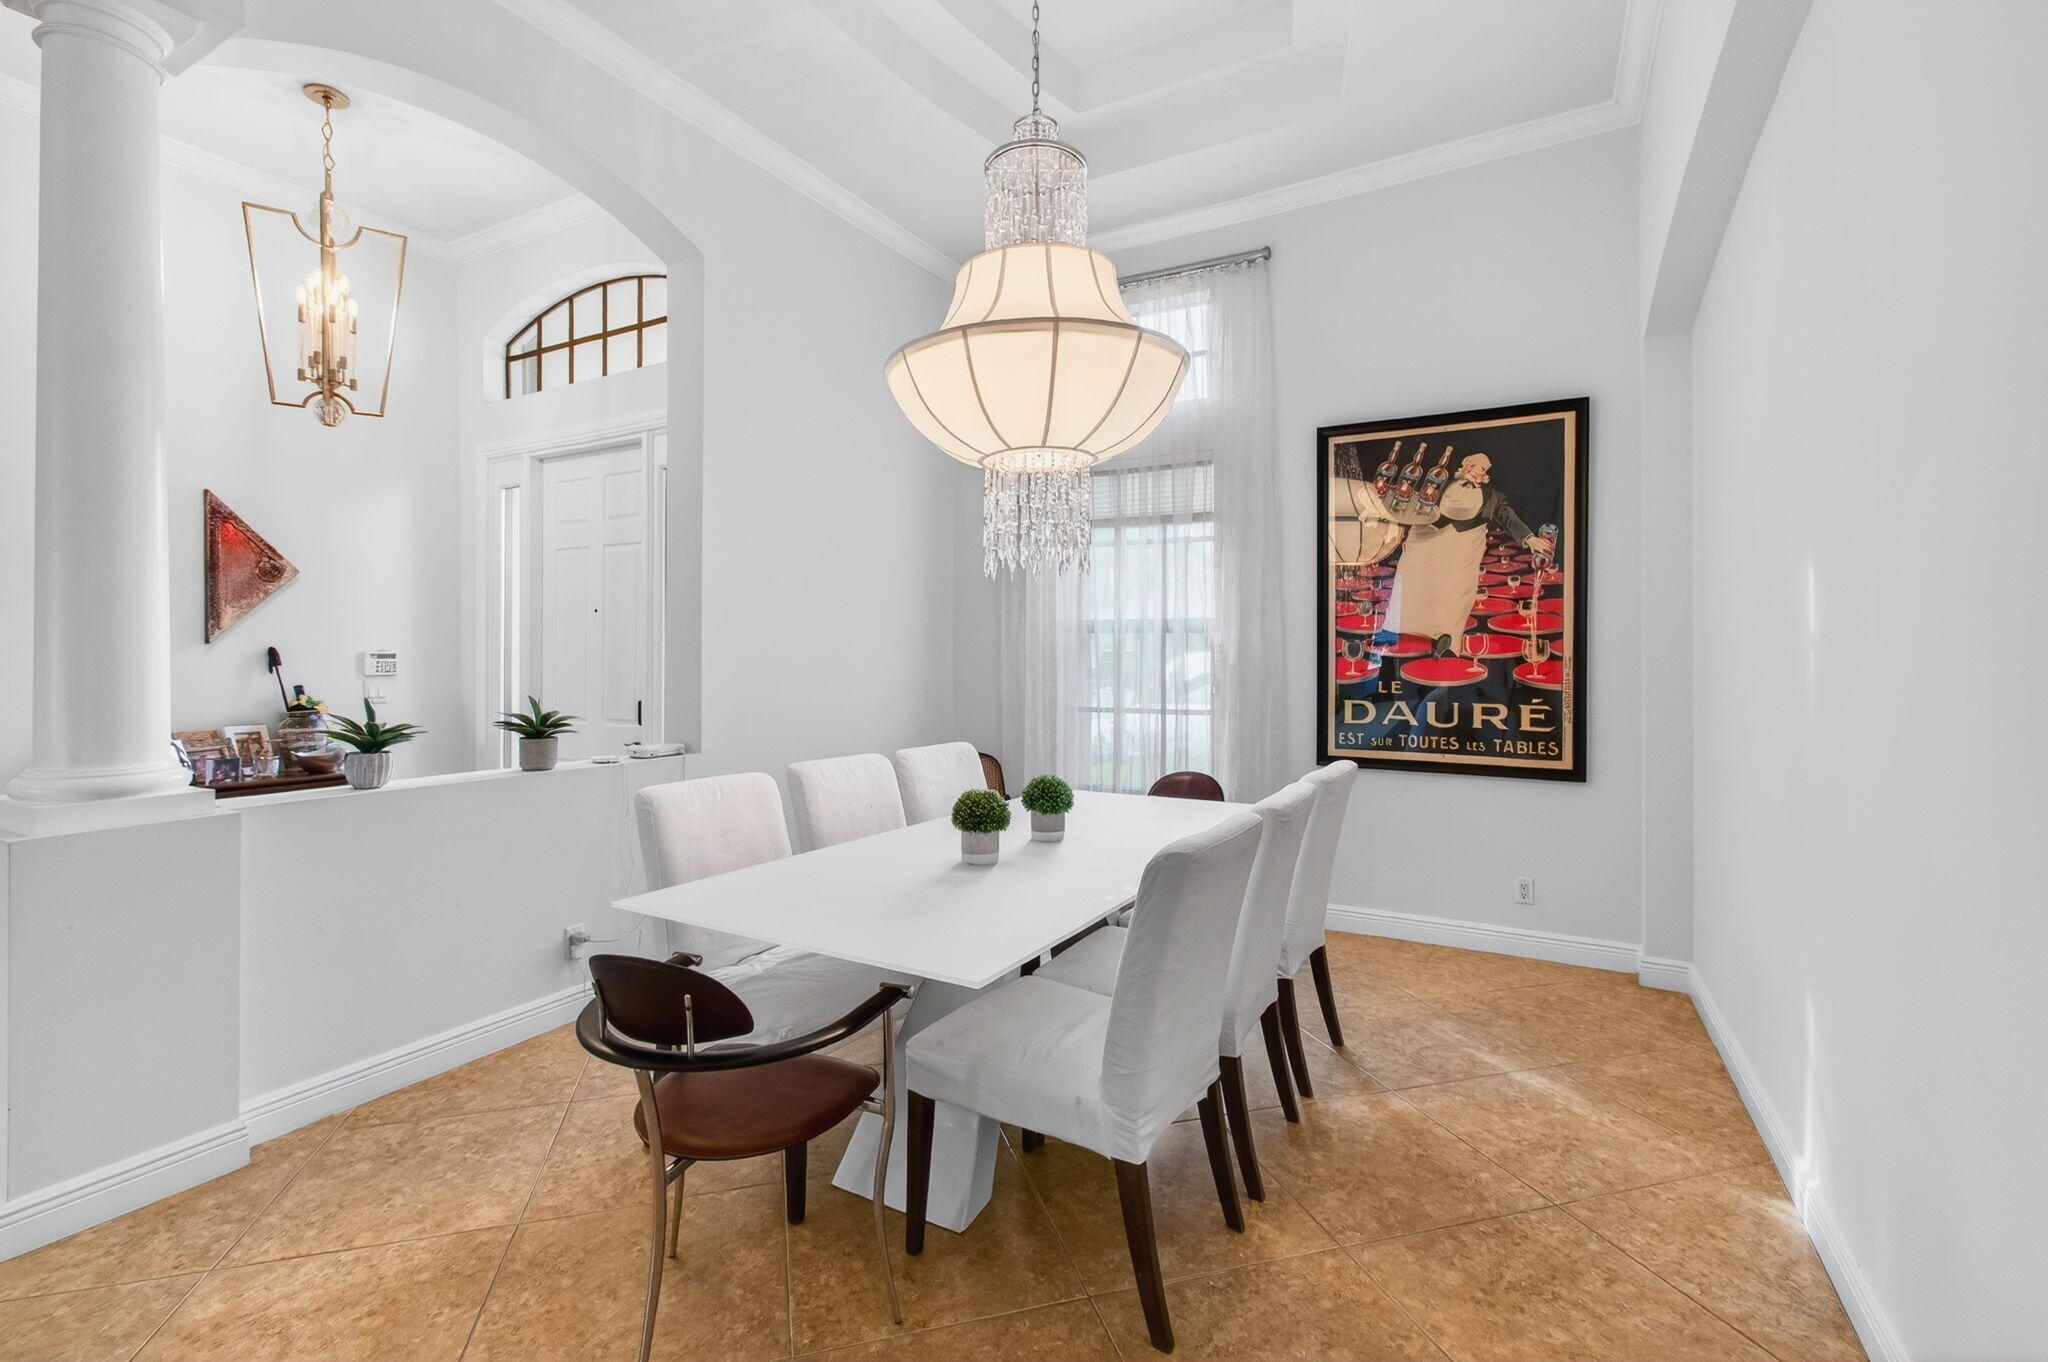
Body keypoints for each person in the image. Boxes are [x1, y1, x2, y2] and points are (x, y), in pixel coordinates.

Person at [1380, 453, 1556, 650]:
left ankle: (1446, 641)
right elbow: (1413, 503)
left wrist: (1530, 538)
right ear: (1465, 467)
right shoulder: (1440, 483)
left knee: (1454, 591)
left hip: (1461, 549)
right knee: (1410, 581)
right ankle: (1392, 631)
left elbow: (1508, 518)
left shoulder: (1492, 497)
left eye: (1483, 468)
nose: (1479, 471)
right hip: (1425, 542)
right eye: (1475, 466)